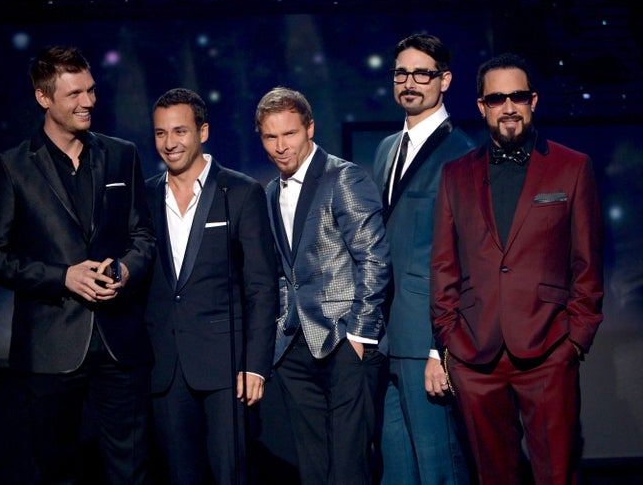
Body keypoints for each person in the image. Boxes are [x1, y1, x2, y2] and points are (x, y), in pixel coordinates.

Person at [0, 46, 156, 484]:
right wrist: (64, 277)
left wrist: (127, 269)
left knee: (132, 471)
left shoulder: (120, 155)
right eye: (75, 93)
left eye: (91, 90)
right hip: (50, 348)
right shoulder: (13, 167)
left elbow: (144, 237)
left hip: (119, 345)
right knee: (58, 472)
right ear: (44, 98)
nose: (89, 102)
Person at [430, 53, 604, 484]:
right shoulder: (454, 175)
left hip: (549, 349)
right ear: (481, 105)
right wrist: (449, 339)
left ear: (533, 101)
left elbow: (587, 262)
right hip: (475, 354)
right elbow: (444, 264)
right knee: (492, 476)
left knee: (556, 475)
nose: (508, 107)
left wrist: (575, 342)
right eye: (497, 98)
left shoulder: (571, 166)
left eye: (518, 96)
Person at [256, 86, 391, 484]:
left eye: (290, 134)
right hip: (296, 345)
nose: (281, 146)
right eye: (270, 136)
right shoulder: (268, 192)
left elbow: (374, 257)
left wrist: (361, 335)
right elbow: (284, 270)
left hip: (344, 340)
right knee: (313, 467)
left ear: (310, 128)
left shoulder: (343, 178)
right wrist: (281, 332)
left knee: (349, 466)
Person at [144, 88, 278, 485]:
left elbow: (262, 287)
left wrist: (256, 365)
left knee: (231, 474)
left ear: (202, 131)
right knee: (180, 476)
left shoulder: (239, 191)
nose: (170, 143)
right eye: (160, 133)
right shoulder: (145, 196)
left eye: (180, 131)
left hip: (227, 365)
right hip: (166, 364)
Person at [371, 33, 474, 485]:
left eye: (421, 73)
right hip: (387, 336)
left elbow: (468, 259)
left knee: (439, 469)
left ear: (444, 80)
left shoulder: (464, 152)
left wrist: (441, 348)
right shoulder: (386, 149)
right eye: (401, 73)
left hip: (428, 340)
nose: (409, 82)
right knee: (396, 470)